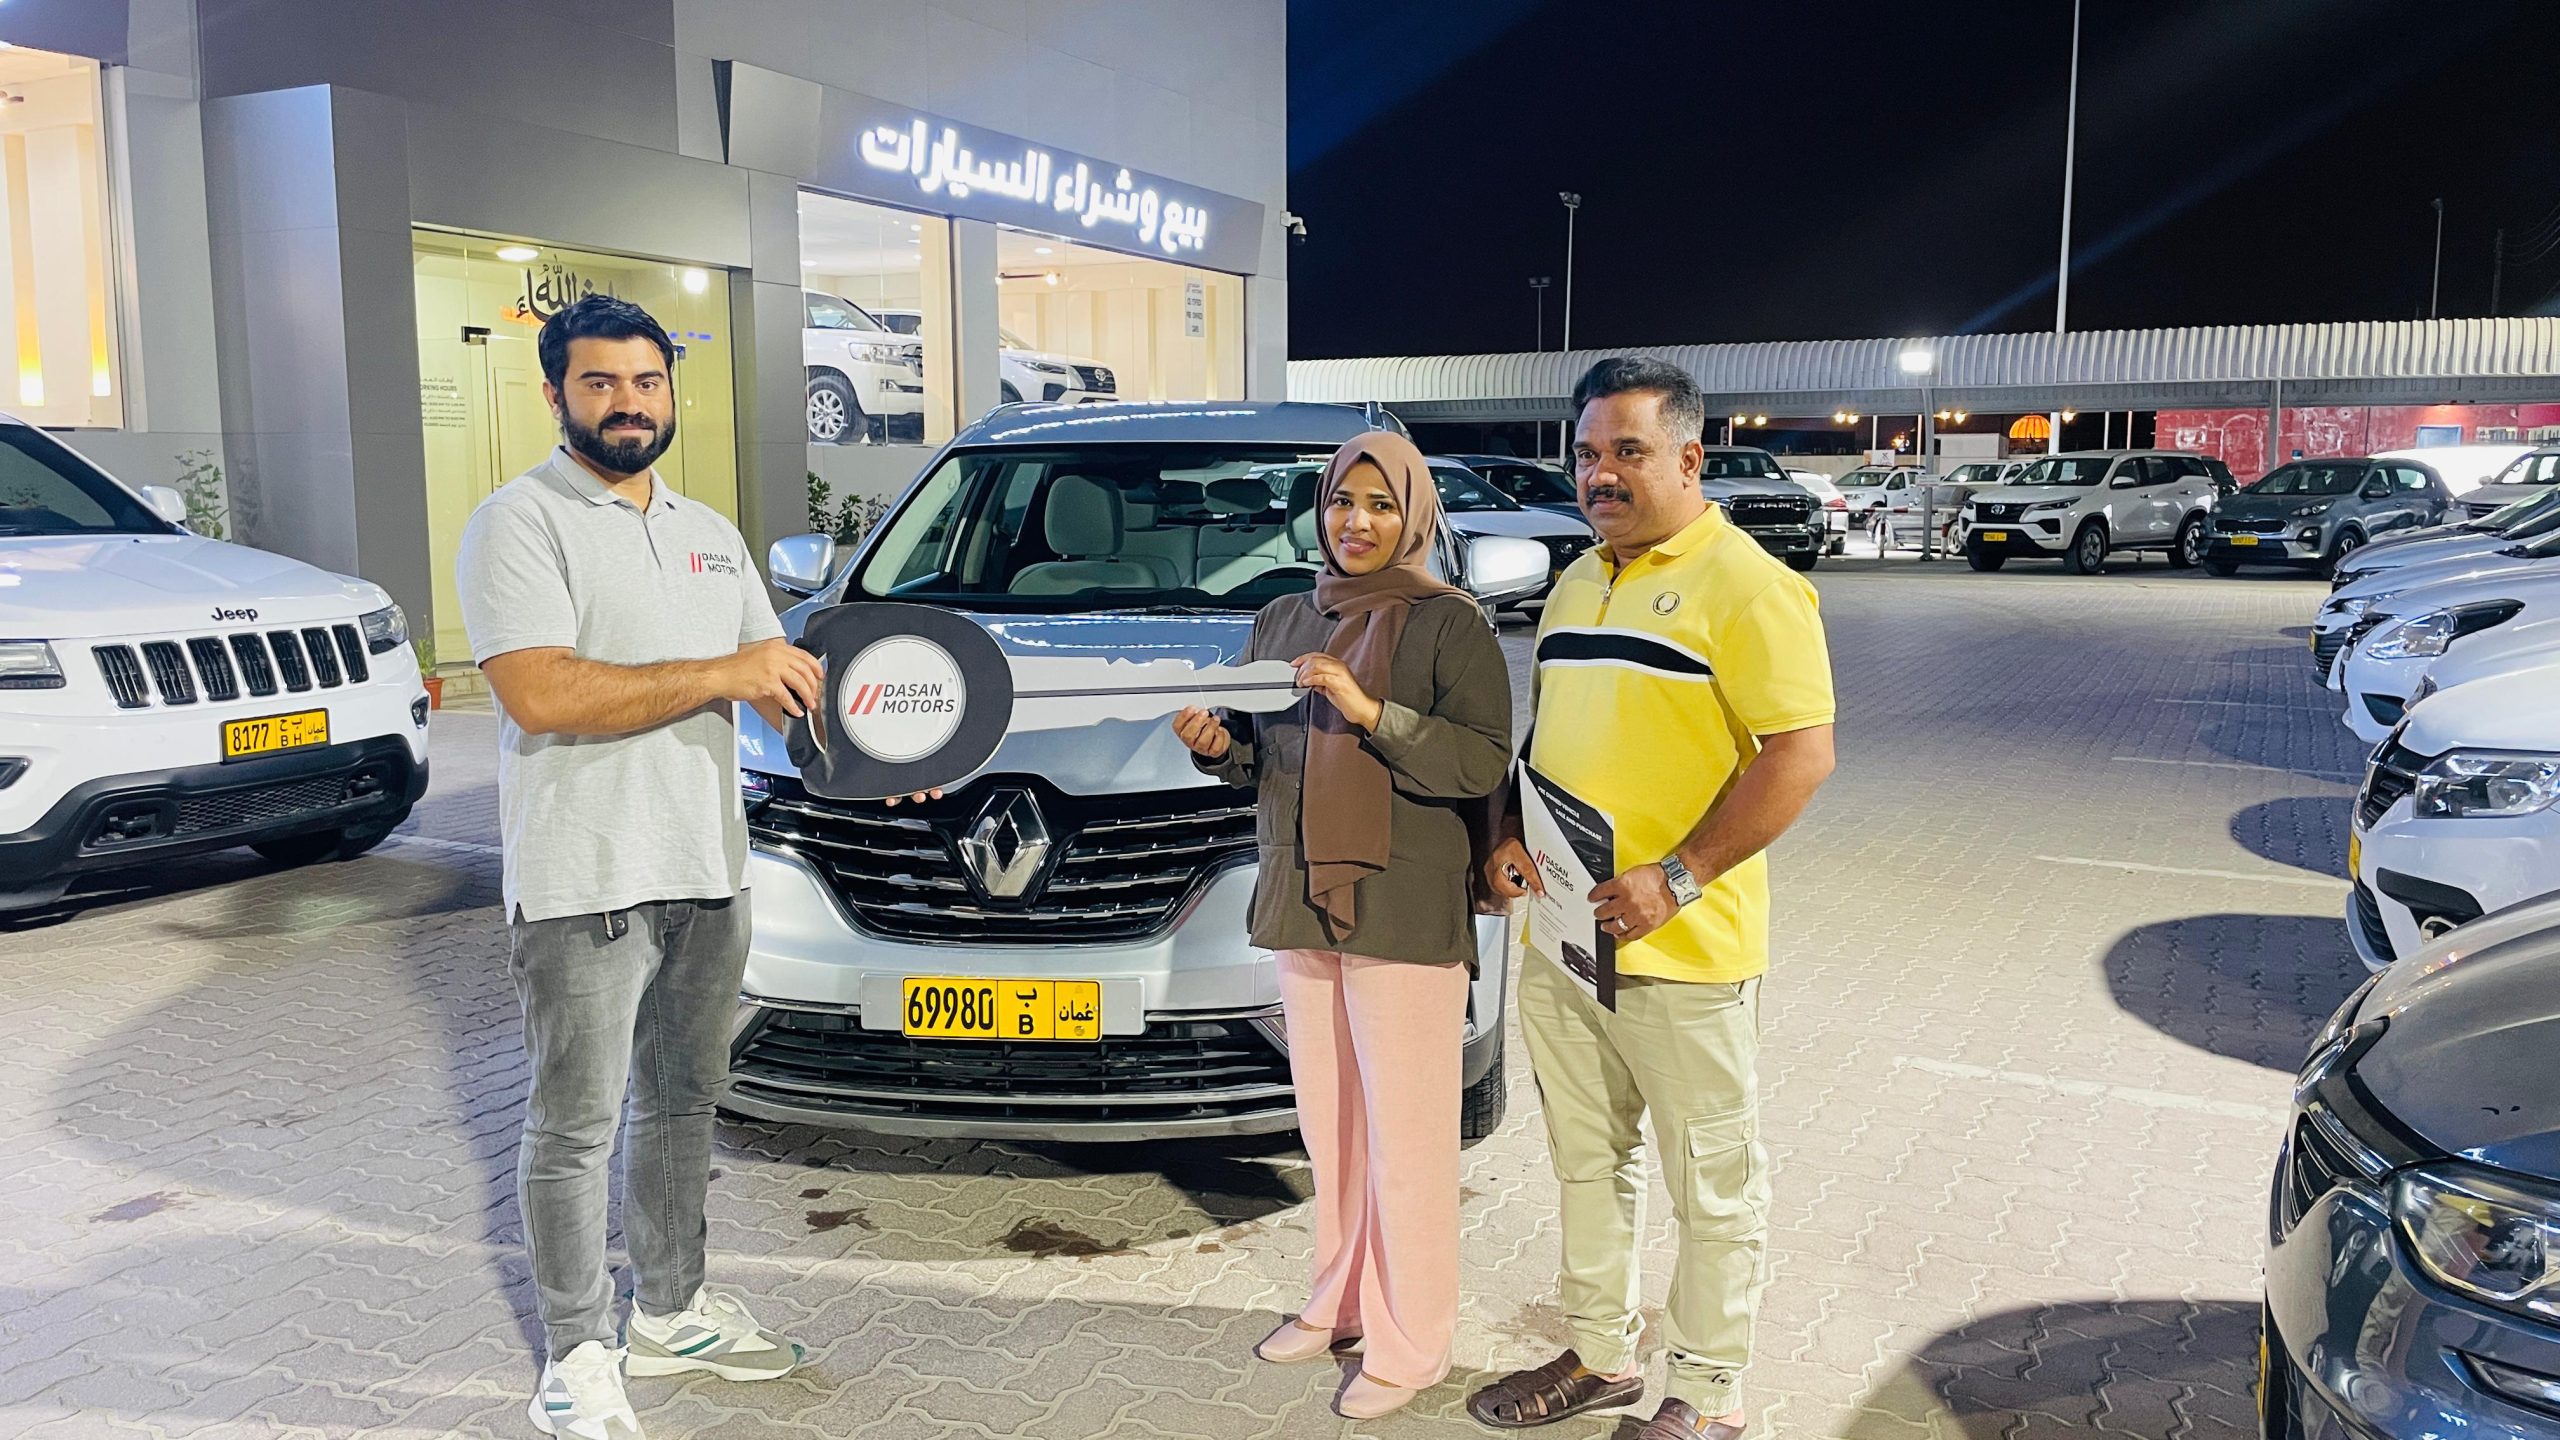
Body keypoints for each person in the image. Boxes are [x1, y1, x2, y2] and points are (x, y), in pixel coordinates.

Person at [458, 295, 823, 1440]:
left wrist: (889, 759)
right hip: (584, 879)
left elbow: (780, 682)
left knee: (679, 1106)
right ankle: (576, 1350)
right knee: (575, 1127)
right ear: (555, 393)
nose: (628, 402)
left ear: (672, 391)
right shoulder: (518, 523)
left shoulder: (709, 530)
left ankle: (670, 1311)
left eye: (646, 381)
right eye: (601, 382)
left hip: (706, 867)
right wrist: (721, 673)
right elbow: (541, 693)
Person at [1467, 358, 1836, 1440]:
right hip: (1566, 941)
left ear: (1689, 457)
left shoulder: (1750, 585)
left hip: (1685, 954)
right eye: (1587, 453)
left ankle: (1709, 1394)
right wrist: (1506, 837)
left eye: (1627, 451)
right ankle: (1599, 1354)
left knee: (1712, 1185)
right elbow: (1554, 739)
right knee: (1587, 1163)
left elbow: (1801, 754)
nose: (1601, 474)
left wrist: (1680, 876)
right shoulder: (1578, 581)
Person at [1170, 431, 1511, 1420]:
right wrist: (1214, 747)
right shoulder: (1285, 617)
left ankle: (1413, 1344)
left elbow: (1479, 761)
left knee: (1408, 1141)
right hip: (1301, 897)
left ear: (1415, 515)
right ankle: (1340, 1302)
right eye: (1340, 502)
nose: (1357, 523)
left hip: (1403, 908)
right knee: (1332, 1130)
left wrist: (1369, 711)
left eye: (1381, 504)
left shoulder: (1451, 624)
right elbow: (1260, 761)